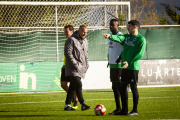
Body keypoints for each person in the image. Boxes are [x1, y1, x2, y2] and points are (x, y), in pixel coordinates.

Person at [102, 20, 146, 116]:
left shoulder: (141, 39)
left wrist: (129, 62)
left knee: (133, 88)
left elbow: (140, 54)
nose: (127, 28)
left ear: (135, 27)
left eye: (129, 26)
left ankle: (135, 111)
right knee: (122, 88)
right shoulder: (127, 37)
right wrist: (110, 36)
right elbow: (119, 38)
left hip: (133, 67)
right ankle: (124, 110)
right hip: (124, 67)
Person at [64, 25, 91, 111]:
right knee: (78, 84)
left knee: (73, 86)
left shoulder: (85, 41)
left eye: (86, 32)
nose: (84, 34)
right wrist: (76, 65)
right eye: (83, 32)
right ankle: (82, 104)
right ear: (78, 30)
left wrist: (87, 64)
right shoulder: (71, 40)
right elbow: (68, 54)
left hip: (80, 68)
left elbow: (86, 54)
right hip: (72, 68)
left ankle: (67, 105)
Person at [107, 19, 123, 115]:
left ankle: (123, 108)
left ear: (117, 25)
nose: (111, 26)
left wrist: (120, 57)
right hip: (112, 64)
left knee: (119, 87)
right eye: (110, 25)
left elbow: (123, 47)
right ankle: (118, 108)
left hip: (119, 65)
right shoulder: (110, 35)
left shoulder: (120, 35)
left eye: (113, 25)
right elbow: (110, 49)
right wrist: (109, 60)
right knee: (114, 87)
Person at [60, 25, 78, 109]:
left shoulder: (75, 41)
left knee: (73, 85)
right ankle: (72, 97)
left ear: (72, 32)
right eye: (64, 32)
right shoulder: (66, 41)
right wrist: (63, 65)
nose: (65, 33)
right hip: (65, 66)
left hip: (72, 67)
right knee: (63, 84)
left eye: (66, 32)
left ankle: (76, 102)